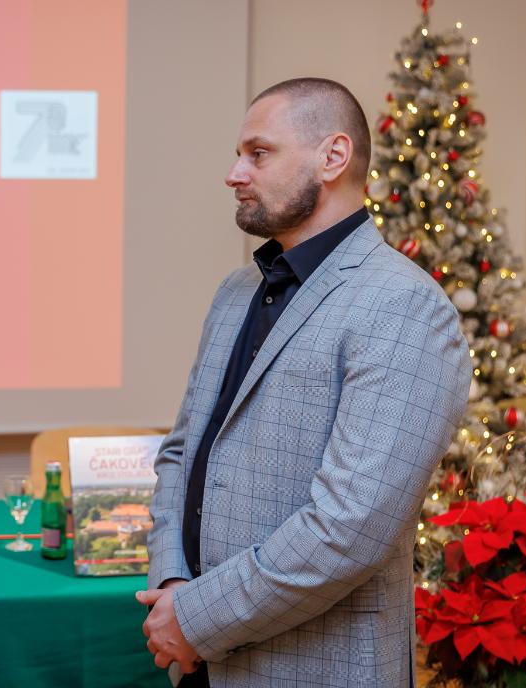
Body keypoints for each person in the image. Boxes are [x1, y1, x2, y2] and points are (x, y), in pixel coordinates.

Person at [138, 78, 471, 687]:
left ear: (333, 157)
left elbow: (349, 528)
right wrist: (172, 583)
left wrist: (196, 618)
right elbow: (182, 451)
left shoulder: (405, 306)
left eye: (258, 153)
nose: (234, 174)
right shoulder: (237, 290)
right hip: (199, 662)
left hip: (311, 667)